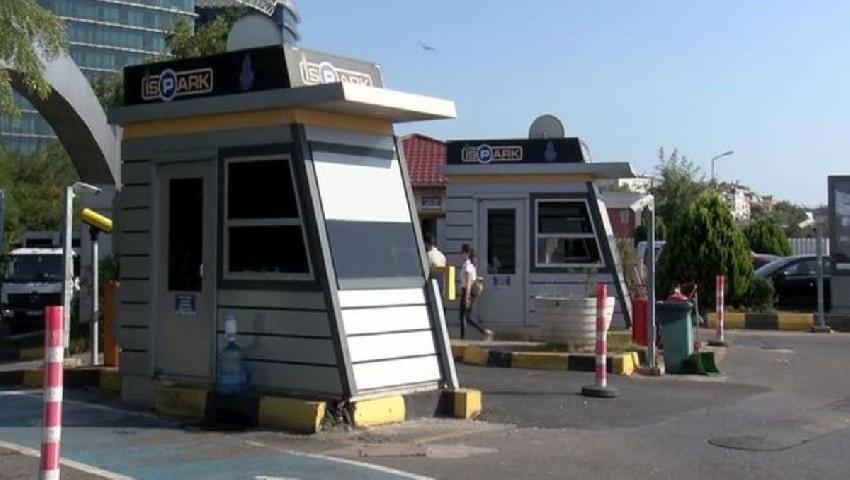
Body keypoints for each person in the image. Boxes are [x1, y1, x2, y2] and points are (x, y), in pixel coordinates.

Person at [459, 244, 478, 339]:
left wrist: (466, 297)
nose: (460, 254)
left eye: (462, 252)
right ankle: (483, 331)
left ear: (467, 253)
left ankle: (463, 338)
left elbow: (468, 282)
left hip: (466, 291)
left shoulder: (467, 265)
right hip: (468, 292)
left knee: (462, 316)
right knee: (467, 317)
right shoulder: (470, 265)